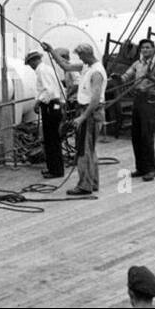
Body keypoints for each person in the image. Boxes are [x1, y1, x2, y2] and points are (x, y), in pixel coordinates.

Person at [46, 42, 104, 195]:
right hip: (88, 112)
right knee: (90, 149)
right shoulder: (87, 67)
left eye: (81, 56)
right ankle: (93, 182)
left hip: (90, 113)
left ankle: (85, 185)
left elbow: (95, 98)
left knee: (83, 151)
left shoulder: (96, 72)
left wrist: (82, 117)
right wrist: (52, 50)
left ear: (87, 54)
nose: (80, 59)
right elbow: (66, 66)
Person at [120, 39, 155, 181]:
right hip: (138, 100)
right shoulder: (138, 64)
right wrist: (118, 78)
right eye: (143, 48)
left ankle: (151, 170)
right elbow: (126, 76)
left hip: (150, 102)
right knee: (136, 135)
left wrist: (152, 78)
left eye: (148, 48)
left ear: (154, 49)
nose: (145, 50)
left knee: (147, 136)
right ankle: (141, 168)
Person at [26, 49, 65, 178]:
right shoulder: (48, 69)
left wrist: (38, 102)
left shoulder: (41, 71)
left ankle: (55, 170)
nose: (30, 66)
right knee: (53, 139)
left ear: (34, 61)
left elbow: (49, 90)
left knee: (51, 139)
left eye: (30, 63)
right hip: (55, 106)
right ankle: (55, 168)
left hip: (49, 107)